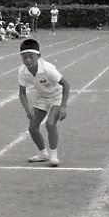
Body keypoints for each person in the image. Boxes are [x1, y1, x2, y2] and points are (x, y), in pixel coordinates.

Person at [18, 38, 70, 167]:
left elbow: (66, 84)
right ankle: (43, 153)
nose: (28, 60)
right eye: (24, 57)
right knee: (32, 128)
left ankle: (53, 156)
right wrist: (27, 109)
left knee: (50, 124)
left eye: (31, 57)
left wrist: (63, 106)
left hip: (57, 96)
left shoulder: (47, 69)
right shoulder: (22, 71)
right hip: (42, 98)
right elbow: (22, 93)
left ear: (38, 56)